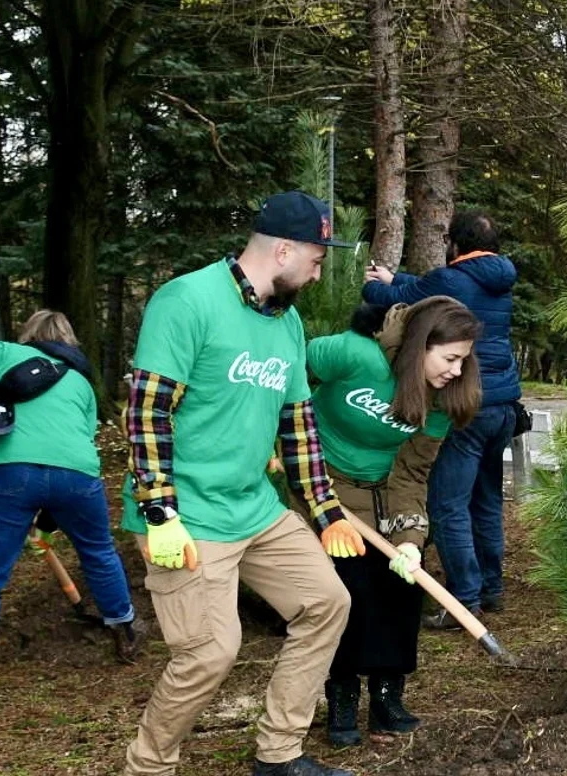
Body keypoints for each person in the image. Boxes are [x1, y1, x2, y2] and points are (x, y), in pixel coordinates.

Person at [121, 191, 363, 776]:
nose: (319, 268)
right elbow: (148, 413)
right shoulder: (187, 301)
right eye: (317, 255)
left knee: (326, 603)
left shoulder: (288, 320)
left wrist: (326, 511)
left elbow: (299, 426)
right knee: (210, 650)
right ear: (282, 249)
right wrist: (159, 512)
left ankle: (278, 755)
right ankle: (148, 767)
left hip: (253, 509)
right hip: (185, 516)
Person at [0, 309, 146, 703]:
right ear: (69, 341)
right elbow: (72, 446)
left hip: (9, 474)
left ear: (29, 335)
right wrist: (49, 518)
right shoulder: (84, 385)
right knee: (99, 552)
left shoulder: (6, 353)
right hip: (78, 478)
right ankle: (125, 634)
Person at [307, 297, 482, 746]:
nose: (457, 371)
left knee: (403, 586)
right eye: (450, 358)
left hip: (387, 492)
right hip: (324, 485)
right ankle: (341, 695)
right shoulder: (354, 354)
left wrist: (409, 538)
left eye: (463, 360)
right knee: (347, 588)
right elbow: (286, 378)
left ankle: (387, 696)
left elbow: (412, 472)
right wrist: (279, 444)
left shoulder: (442, 398)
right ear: (422, 345)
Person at [362, 209, 519, 626]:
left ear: (454, 243)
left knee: (448, 504)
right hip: (504, 405)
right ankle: (492, 587)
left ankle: (462, 600)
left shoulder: (452, 279)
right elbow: (420, 284)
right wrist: (398, 277)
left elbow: (412, 297)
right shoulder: (501, 280)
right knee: (486, 499)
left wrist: (377, 284)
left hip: (466, 405)